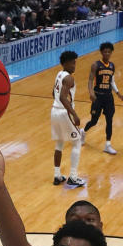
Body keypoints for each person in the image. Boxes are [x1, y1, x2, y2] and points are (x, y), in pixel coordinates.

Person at [84, 42, 123, 155]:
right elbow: (90, 80)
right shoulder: (95, 65)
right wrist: (91, 93)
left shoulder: (112, 66)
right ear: (101, 52)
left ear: (111, 52)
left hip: (108, 97)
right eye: (105, 51)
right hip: (98, 97)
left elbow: (111, 81)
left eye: (109, 51)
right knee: (94, 121)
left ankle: (108, 144)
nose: (107, 53)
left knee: (109, 120)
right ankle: (82, 132)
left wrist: (118, 93)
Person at [51, 50, 85, 187]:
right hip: (64, 113)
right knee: (77, 141)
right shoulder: (69, 78)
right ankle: (73, 176)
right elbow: (62, 97)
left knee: (59, 143)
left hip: (54, 111)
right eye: (72, 62)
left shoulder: (59, 74)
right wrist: (74, 114)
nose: (74, 65)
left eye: (75, 62)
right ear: (65, 63)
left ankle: (57, 175)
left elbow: (53, 93)